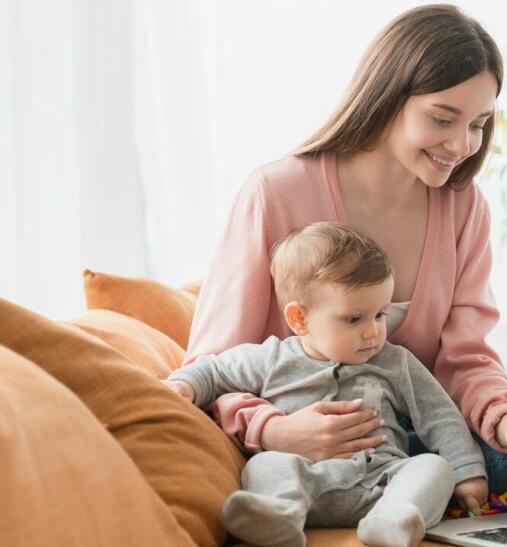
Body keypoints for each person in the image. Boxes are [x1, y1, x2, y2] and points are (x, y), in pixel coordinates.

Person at [183, 4, 507, 546]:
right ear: (388, 96)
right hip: (320, 458)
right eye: (443, 119)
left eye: (479, 124)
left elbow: (467, 360)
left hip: (438, 443)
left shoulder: (463, 207)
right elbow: (214, 360)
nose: (463, 145)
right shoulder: (274, 194)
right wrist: (276, 430)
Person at [167, 223, 487, 547]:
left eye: (380, 315)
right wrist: (185, 385)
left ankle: (394, 520)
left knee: (434, 468)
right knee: (267, 464)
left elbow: (439, 414)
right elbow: (214, 370)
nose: (373, 332)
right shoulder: (272, 358)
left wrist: (467, 470)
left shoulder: (396, 362)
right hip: (305, 480)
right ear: (300, 319)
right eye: (354, 319)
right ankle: (277, 517)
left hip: (381, 484)